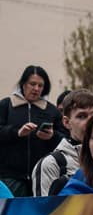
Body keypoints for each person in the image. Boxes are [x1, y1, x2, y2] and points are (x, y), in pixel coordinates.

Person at [0, 65, 62, 196]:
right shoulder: (6, 105)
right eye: (32, 84)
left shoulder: (52, 111)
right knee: (11, 213)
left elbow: (65, 139)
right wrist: (17, 132)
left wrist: (51, 136)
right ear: (23, 84)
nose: (36, 89)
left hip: (42, 177)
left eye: (40, 85)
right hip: (10, 177)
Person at [32, 90, 93, 195]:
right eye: (82, 116)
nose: (90, 121)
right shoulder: (51, 164)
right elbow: (43, 209)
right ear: (66, 122)